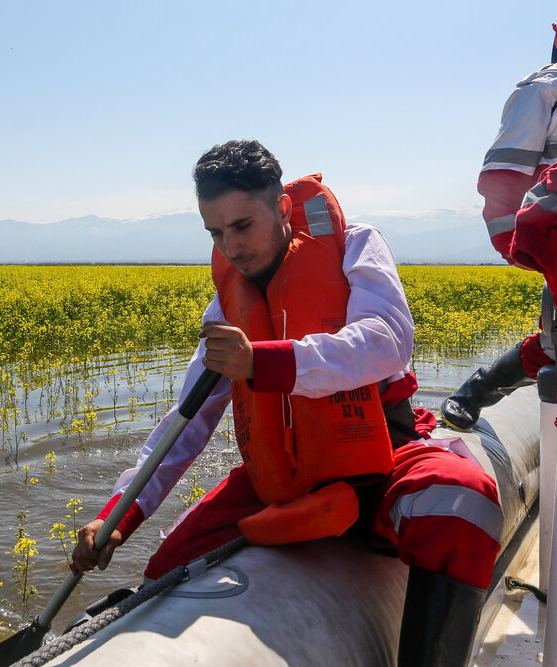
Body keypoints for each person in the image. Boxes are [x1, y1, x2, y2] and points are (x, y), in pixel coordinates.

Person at [70, 140, 503, 667]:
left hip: (384, 458)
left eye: (242, 225)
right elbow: (189, 417)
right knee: (170, 562)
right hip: (284, 482)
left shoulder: (354, 245)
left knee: (464, 499)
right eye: (215, 232)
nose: (231, 247)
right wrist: (121, 514)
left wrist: (268, 362)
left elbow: (388, 340)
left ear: (280, 208)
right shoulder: (228, 301)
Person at [440, 25, 557, 430]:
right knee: (554, 345)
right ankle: (479, 388)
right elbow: (503, 177)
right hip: (553, 234)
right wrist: (515, 245)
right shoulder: (542, 92)